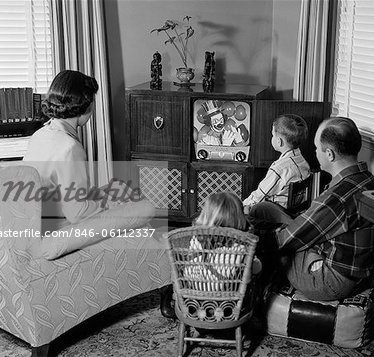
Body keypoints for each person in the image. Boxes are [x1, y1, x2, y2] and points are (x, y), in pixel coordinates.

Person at [23, 70, 154, 230]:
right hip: (59, 226)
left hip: (38, 220)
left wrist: (103, 193)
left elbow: (67, 190)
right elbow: (77, 213)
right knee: (144, 209)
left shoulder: (40, 135)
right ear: (87, 105)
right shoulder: (70, 147)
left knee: (118, 189)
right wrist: (113, 205)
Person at [272, 117, 374, 301]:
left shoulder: (338, 197)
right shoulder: (367, 179)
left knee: (275, 250)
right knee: (270, 211)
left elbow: (287, 240)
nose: (315, 152)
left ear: (330, 155)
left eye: (317, 148)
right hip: (362, 275)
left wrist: (255, 238)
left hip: (333, 283)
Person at [160, 192, 261, 317]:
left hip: (191, 300)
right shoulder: (243, 244)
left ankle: (171, 294)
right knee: (251, 275)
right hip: (226, 306)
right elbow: (256, 270)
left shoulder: (196, 237)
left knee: (184, 266)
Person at [243, 114, 310, 217]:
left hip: (276, 215)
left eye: (272, 135)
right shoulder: (301, 160)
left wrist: (241, 206)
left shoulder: (279, 169)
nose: (272, 138)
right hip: (295, 214)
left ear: (279, 141)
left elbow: (260, 195)